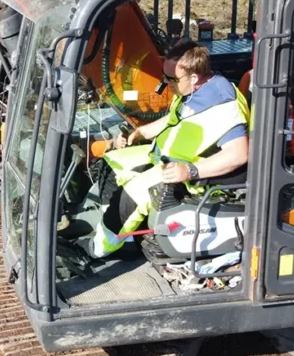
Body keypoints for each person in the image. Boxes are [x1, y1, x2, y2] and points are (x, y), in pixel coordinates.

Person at [76, 40, 250, 259]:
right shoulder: (193, 91)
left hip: (186, 172)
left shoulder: (224, 106)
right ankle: (122, 235)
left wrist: (190, 171)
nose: (166, 83)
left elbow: (239, 153)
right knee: (111, 161)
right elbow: (173, 119)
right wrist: (140, 133)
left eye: (171, 79)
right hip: (163, 156)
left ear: (194, 78)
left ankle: (98, 249)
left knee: (129, 196)